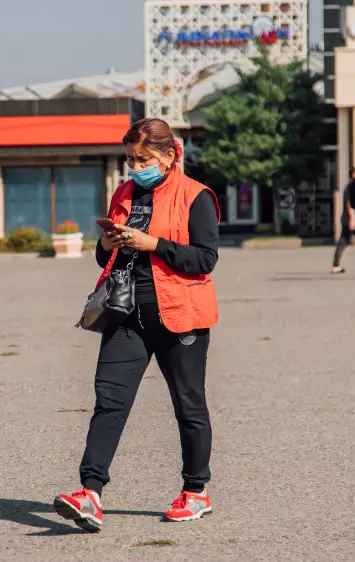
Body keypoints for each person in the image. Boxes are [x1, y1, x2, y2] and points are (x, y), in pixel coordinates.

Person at [54, 118, 220, 533]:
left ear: (169, 155)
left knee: (188, 405)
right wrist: (106, 244)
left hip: (179, 313)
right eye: (130, 159)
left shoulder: (195, 195)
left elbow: (205, 259)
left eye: (143, 159)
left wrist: (154, 244)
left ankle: (195, 492)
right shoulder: (124, 193)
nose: (135, 167)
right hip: (125, 312)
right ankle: (90, 493)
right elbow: (106, 259)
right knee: (109, 400)